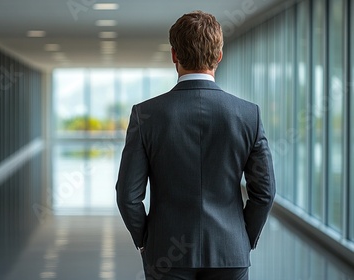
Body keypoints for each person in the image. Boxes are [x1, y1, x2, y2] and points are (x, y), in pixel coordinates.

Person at [116, 11, 276, 280]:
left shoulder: (147, 114)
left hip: (166, 253)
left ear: (174, 55)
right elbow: (265, 192)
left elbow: (128, 196)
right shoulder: (248, 114)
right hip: (230, 254)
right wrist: (241, 239)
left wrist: (146, 240)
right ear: (219, 55)